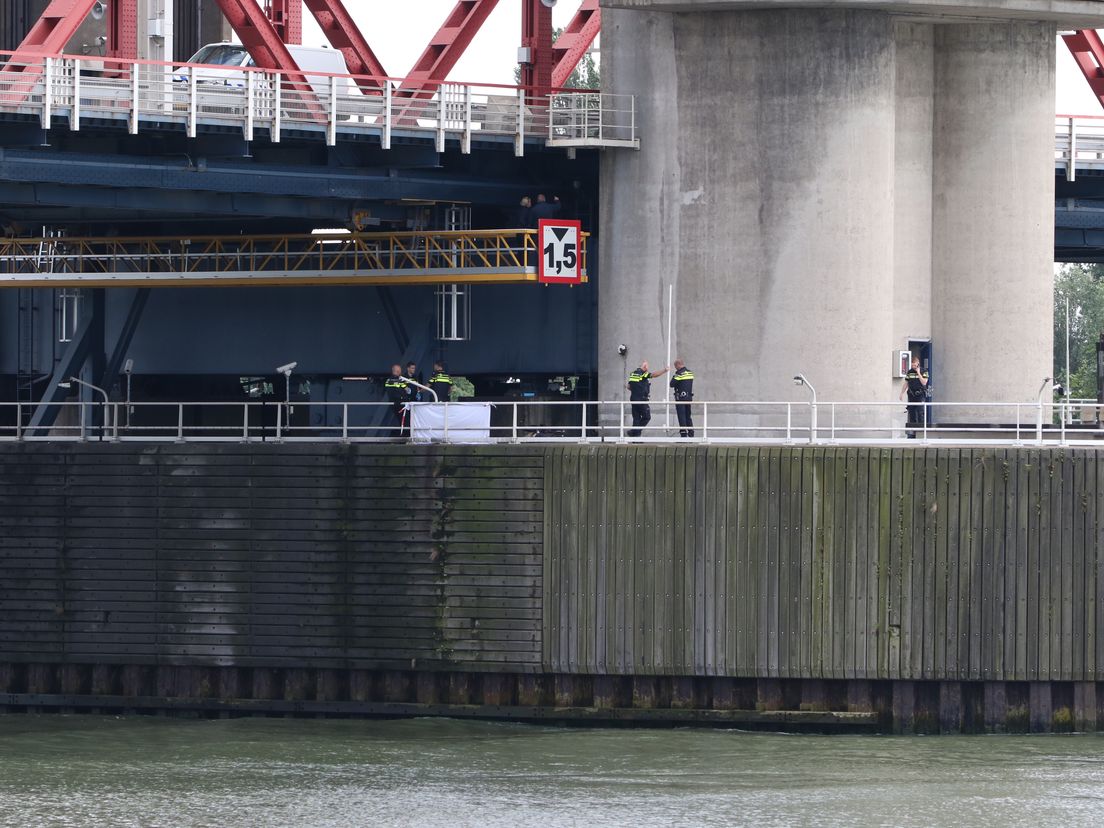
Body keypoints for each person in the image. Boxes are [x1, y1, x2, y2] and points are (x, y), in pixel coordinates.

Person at [627, 360, 669, 437]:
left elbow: (628, 387)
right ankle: (634, 432)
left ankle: (635, 438)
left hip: (633, 399)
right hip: (641, 400)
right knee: (647, 417)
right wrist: (665, 370)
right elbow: (654, 375)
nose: (648, 368)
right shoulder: (643, 374)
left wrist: (637, 390)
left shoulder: (633, 374)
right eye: (647, 367)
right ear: (645, 367)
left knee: (636, 418)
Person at [898, 355, 929, 438]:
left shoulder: (924, 371)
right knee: (912, 413)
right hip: (911, 395)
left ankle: (922, 433)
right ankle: (912, 433)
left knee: (920, 412)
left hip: (920, 395)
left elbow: (924, 383)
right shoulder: (910, 372)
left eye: (915, 365)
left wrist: (918, 373)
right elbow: (906, 383)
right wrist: (901, 393)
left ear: (918, 364)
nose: (913, 367)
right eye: (912, 365)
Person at [669, 359, 695, 438]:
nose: (675, 368)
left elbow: (672, 384)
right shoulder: (690, 373)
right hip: (688, 397)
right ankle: (691, 433)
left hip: (680, 398)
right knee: (688, 415)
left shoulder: (679, 374)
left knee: (681, 416)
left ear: (677, 365)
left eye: (675, 366)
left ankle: (683, 435)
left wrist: (675, 376)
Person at [384, 363, 411, 436]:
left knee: (401, 421)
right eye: (400, 371)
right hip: (402, 404)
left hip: (393, 404)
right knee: (406, 422)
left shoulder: (388, 381)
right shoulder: (399, 381)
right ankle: (405, 437)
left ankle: (402, 435)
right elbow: (408, 391)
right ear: (398, 371)